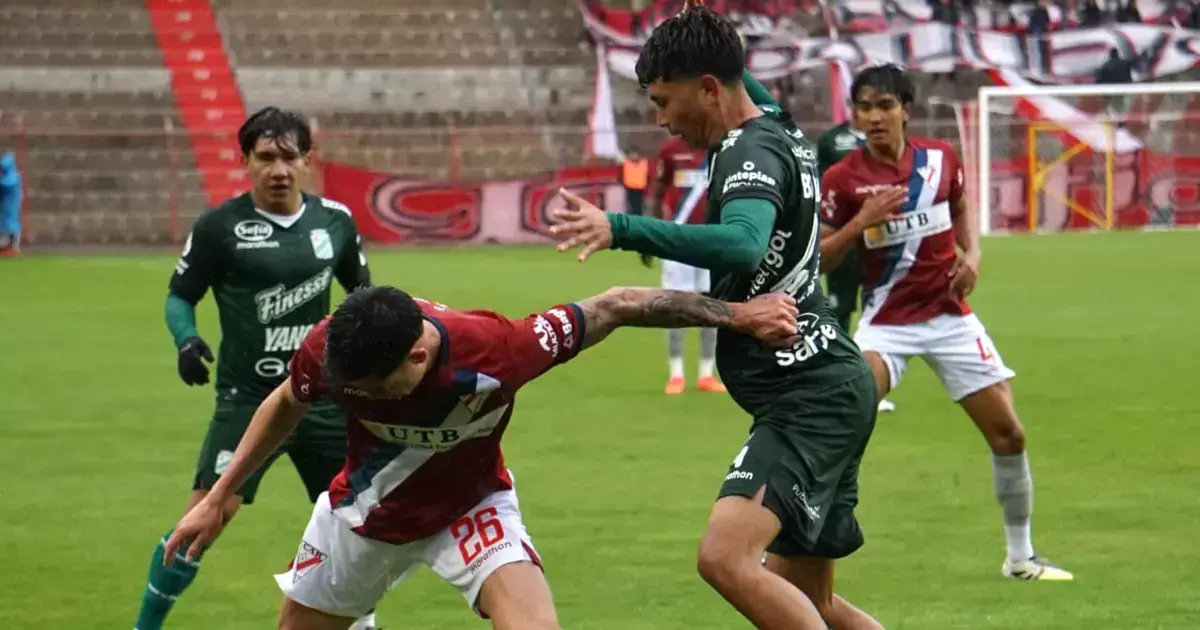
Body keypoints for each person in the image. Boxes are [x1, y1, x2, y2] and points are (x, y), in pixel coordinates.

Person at [163, 284, 800, 630]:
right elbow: (286, 401)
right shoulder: (332, 350)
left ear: (417, 356)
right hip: (364, 513)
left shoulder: (498, 350)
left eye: (372, 389)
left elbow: (616, 306)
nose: (356, 397)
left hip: (471, 508)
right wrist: (219, 498)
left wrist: (737, 315)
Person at [550, 4, 884, 629]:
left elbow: (743, 244)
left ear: (707, 90)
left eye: (664, 101)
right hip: (830, 381)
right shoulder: (775, 124)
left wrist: (621, 227)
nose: (661, 119)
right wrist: (698, 19)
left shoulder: (745, 149)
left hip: (808, 397)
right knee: (812, 603)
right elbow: (729, 69)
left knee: (725, 558)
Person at [819, 64, 1073, 581]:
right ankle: (791, 544)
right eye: (864, 108)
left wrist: (972, 255)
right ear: (854, 115)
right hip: (886, 323)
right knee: (836, 426)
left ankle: (1020, 559)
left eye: (885, 106)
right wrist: (861, 223)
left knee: (1009, 435)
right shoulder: (842, 180)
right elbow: (820, 258)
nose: (874, 117)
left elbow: (959, 207)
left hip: (949, 317)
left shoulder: (940, 159)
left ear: (906, 110)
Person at [135, 107, 377, 630]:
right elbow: (180, 296)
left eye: (289, 157)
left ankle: (359, 624)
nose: (279, 170)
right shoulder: (220, 227)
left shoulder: (335, 221)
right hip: (247, 400)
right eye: (266, 157)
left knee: (356, 526)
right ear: (245, 160)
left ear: (308, 160)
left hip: (322, 400)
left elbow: (363, 296)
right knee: (204, 521)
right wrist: (186, 339)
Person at [816, 114, 896, 414]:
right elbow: (820, 189)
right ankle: (835, 380)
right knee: (839, 311)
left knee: (877, 311)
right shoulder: (831, 140)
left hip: (880, 243)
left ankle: (870, 383)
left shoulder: (885, 141)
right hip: (844, 241)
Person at [646, 134, 724, 394]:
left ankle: (706, 374)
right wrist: (650, 236)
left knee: (711, 307)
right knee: (675, 305)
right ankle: (676, 374)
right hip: (677, 239)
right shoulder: (671, 150)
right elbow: (657, 192)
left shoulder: (720, 148)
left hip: (712, 239)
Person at [0, 152, 21, 257]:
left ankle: (13, 248)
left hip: (10, 208)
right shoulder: (6, 176)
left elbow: (5, 185)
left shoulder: (12, 177)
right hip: (5, 209)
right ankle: (8, 248)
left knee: (11, 225)